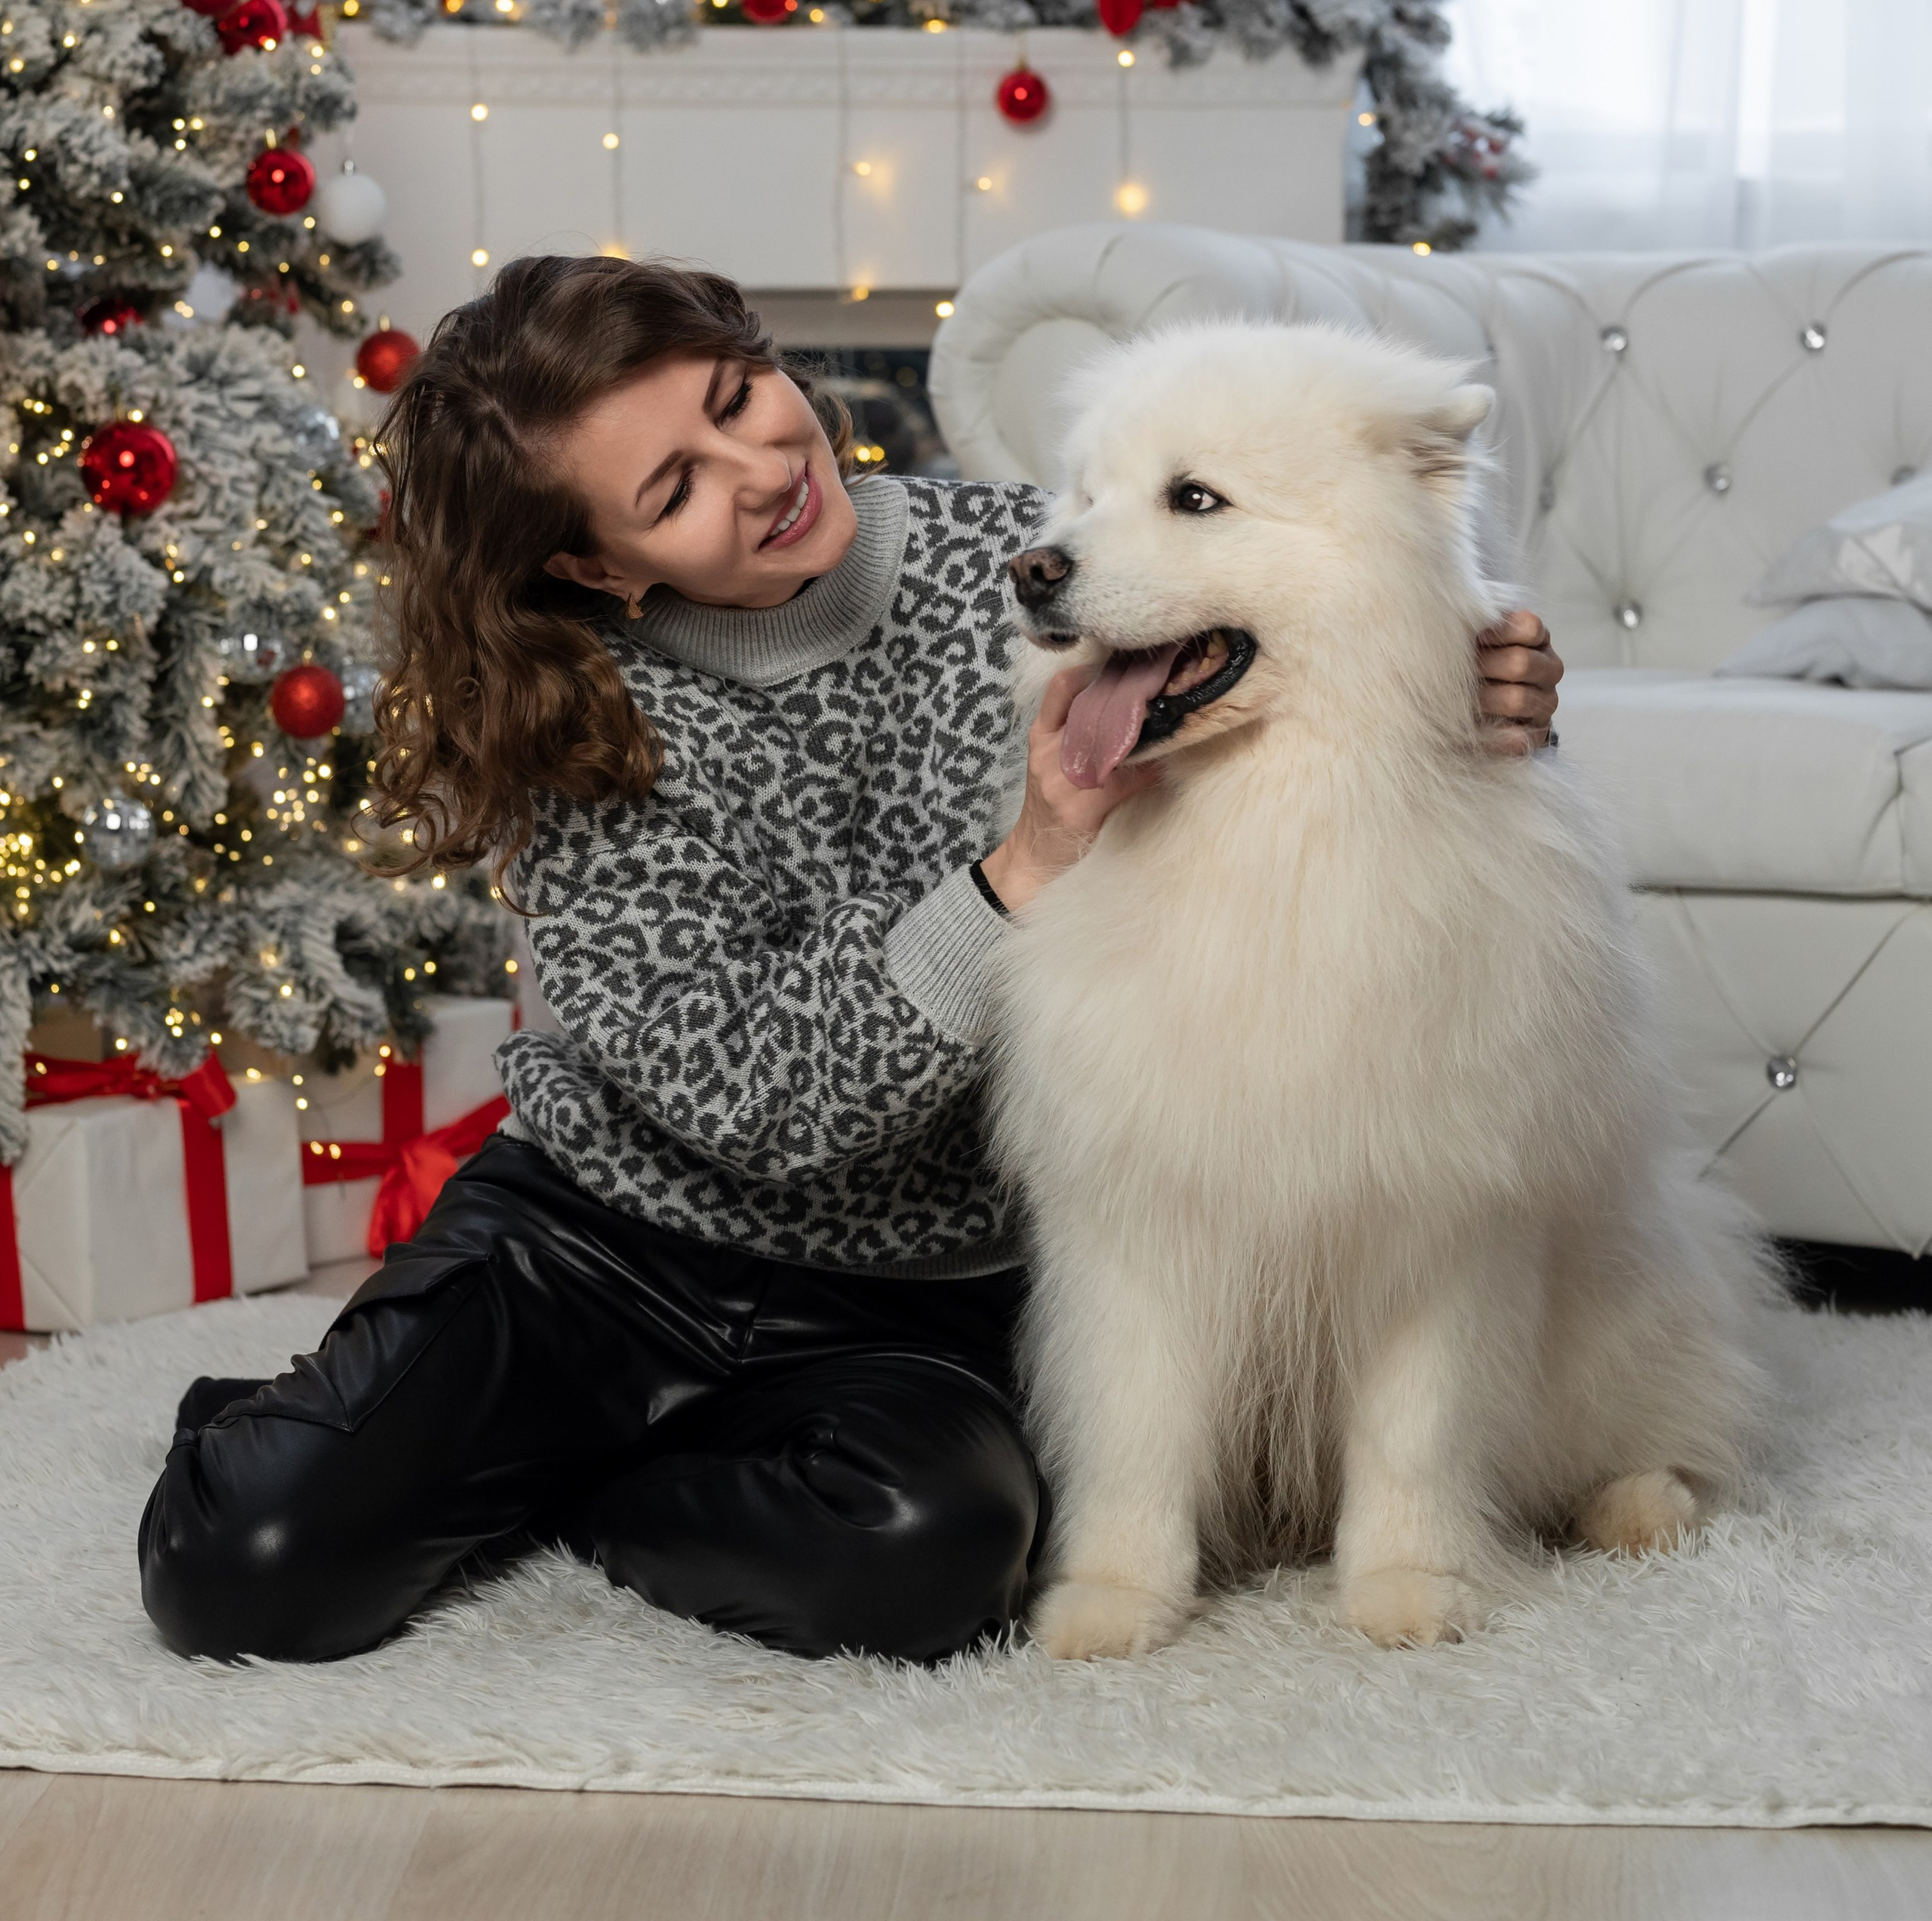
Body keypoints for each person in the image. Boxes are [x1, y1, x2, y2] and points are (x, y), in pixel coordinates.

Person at [137, 255, 1562, 1667]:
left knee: (924, 1562)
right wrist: (1019, 870)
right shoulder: (564, 714)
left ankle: (571, 1488)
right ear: (592, 564)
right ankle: (367, 1419)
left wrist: (1471, 678)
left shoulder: (1052, 563)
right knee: (246, 1571)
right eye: (673, 489)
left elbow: (1326, 683)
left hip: (914, 1294)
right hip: (597, 1252)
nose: (759, 467)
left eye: (739, 396)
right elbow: (756, 1100)